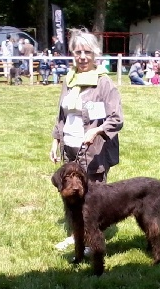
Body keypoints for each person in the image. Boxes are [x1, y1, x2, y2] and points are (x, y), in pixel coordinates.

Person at [50, 28, 123, 251]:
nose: (82, 57)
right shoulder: (69, 80)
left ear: (95, 55)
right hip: (70, 148)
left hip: (94, 151)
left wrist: (97, 130)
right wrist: (55, 140)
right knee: (72, 197)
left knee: (92, 198)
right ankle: (76, 236)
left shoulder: (104, 83)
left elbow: (117, 119)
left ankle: (94, 241)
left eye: (87, 52)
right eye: (78, 52)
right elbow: (61, 114)